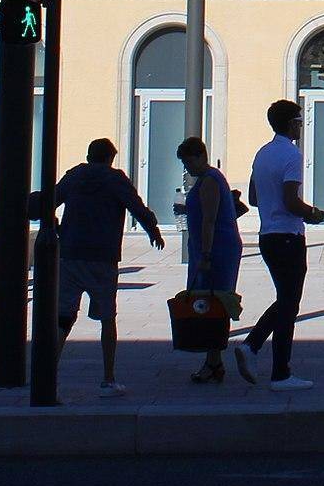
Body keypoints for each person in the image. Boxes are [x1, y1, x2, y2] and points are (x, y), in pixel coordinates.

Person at [46, 138, 165, 395]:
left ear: (89, 155)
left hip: (70, 255)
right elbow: (136, 207)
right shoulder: (115, 179)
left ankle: (47, 372)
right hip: (103, 257)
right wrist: (153, 230)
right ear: (110, 158)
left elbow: (49, 202)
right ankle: (108, 378)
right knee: (107, 318)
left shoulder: (74, 176)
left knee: (63, 317)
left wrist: (55, 228)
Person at [242, 99, 324, 389]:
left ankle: (261, 353)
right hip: (289, 235)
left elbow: (254, 198)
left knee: (285, 299)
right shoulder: (292, 155)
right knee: (289, 302)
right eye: (299, 121)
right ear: (291, 123)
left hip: (267, 235)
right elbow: (292, 201)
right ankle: (273, 366)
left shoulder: (262, 154)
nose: (301, 126)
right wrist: (313, 214)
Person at [177, 136, 248, 384]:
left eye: (188, 162)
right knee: (211, 303)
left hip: (215, 251)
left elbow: (209, 220)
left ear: (200, 157)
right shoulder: (211, 178)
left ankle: (212, 362)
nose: (187, 168)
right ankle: (213, 360)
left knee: (212, 304)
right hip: (213, 248)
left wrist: (205, 255)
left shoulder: (208, 181)